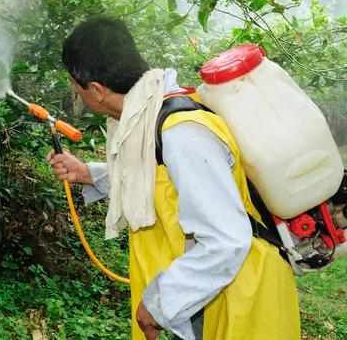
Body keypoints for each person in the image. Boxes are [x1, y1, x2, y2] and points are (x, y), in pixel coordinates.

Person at [47, 17, 301, 340]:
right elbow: (153, 176)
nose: (76, 92)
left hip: (243, 295)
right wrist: (85, 173)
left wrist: (160, 301)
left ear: (97, 91)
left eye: (76, 87)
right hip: (211, 291)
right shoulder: (150, 112)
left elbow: (226, 240)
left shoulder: (182, 134)